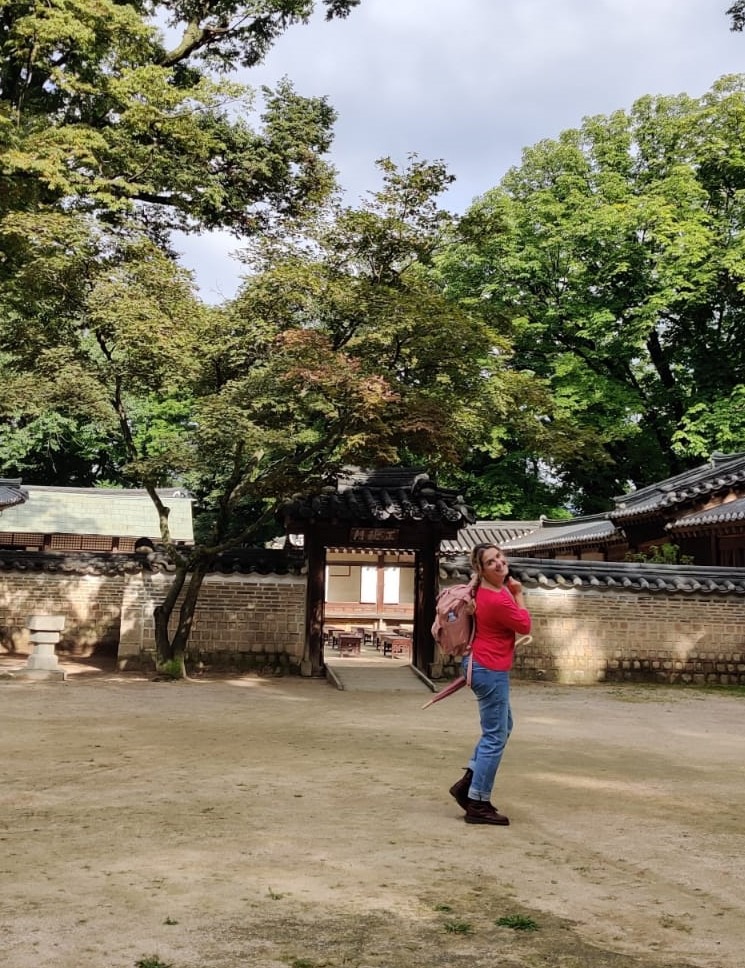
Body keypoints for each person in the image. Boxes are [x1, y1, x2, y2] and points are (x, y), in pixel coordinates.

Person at [448, 543, 531, 826]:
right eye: (491, 561)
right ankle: (478, 802)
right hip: (489, 668)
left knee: (503, 727)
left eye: (500, 557)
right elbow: (524, 625)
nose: (499, 563)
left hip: (483, 666)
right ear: (481, 569)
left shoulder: (486, 590)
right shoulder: (499, 598)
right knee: (495, 736)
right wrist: (519, 594)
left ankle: (468, 783)